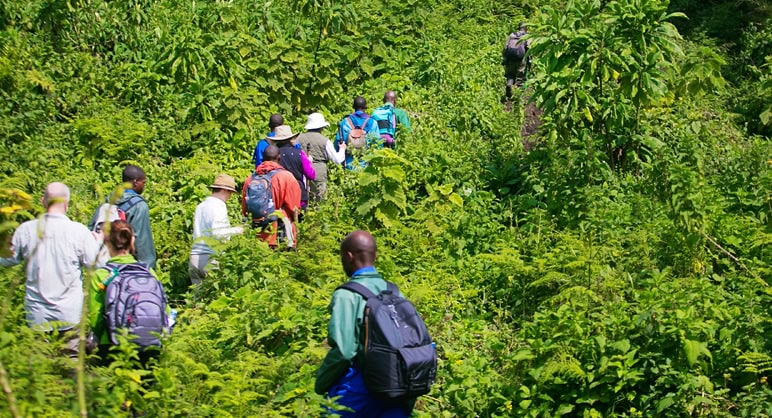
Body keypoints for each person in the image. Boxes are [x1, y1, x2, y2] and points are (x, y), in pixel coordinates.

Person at [315, 230, 413, 417]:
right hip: (396, 384)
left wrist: (321, 382)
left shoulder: (347, 295)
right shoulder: (393, 291)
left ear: (349, 256)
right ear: (375, 256)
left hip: (358, 388)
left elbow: (344, 351)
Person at [1, 182, 99, 357]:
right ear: (67, 203)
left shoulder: (26, 230)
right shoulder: (78, 232)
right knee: (70, 366)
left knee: (40, 368)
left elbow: (6, 260)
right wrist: (98, 242)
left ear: (43, 201)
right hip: (70, 313)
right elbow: (97, 264)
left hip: (37, 315)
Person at [88, 220, 166, 364]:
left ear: (107, 243)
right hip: (150, 344)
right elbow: (164, 309)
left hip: (112, 345)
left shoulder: (101, 275)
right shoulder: (149, 272)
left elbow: (96, 318)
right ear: (132, 240)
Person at [242, 145, 302, 249]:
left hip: (257, 234)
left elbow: (245, 209)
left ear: (263, 158)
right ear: (279, 158)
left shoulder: (250, 179)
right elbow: (294, 208)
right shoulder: (286, 177)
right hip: (280, 234)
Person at [189, 174, 244, 285]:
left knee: (197, 298)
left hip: (194, 257)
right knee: (214, 299)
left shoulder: (201, 206)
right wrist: (238, 230)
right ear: (224, 190)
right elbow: (218, 233)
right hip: (210, 258)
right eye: (230, 193)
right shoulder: (219, 206)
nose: (230, 196)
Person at [297, 113, 346, 202]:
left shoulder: (299, 138)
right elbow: (337, 159)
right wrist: (342, 149)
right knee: (318, 200)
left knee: (303, 199)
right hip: (318, 173)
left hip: (302, 171)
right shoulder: (324, 140)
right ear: (321, 127)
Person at [116, 165, 157, 269]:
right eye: (143, 182)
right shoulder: (139, 206)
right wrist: (147, 268)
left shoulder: (108, 200)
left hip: (105, 263)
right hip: (127, 264)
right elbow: (142, 241)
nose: (144, 186)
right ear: (135, 182)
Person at [270, 125, 316, 211]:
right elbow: (311, 175)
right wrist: (309, 163)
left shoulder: (273, 155)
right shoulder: (299, 153)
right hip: (299, 194)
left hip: (279, 195)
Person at [335, 96, 379, 169]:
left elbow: (338, 142)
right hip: (366, 163)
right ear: (365, 107)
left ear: (353, 107)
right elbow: (377, 143)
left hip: (349, 163)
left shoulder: (345, 122)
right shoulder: (372, 122)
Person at [502, 22, 529, 98]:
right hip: (521, 59)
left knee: (510, 74)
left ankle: (509, 85)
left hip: (510, 58)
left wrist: (504, 58)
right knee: (520, 77)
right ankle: (518, 98)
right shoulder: (526, 36)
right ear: (526, 28)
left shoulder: (512, 35)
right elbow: (529, 47)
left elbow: (505, 47)